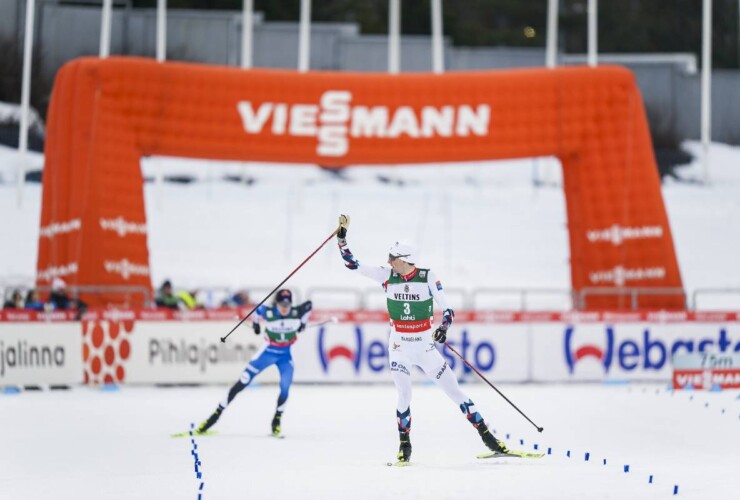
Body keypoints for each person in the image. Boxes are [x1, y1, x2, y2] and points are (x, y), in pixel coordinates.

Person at [334, 214, 508, 463]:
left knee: (456, 392)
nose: (388, 261)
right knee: (404, 395)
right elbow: (353, 265)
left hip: (425, 348)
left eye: (392, 258)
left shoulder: (427, 277)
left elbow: (448, 310)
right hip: (399, 347)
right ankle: (404, 446)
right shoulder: (386, 276)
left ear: (405, 260)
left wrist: (443, 328)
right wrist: (342, 240)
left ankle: (489, 439)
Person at [196, 289, 312, 436]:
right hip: (267, 352)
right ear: (276, 303)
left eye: (287, 305)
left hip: (285, 356)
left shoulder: (296, 312)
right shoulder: (269, 312)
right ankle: (214, 416)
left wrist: (303, 323)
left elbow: (309, 305)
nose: (285, 308)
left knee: (285, 387)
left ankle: (276, 420)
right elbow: (257, 310)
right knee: (243, 381)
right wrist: (256, 325)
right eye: (282, 304)